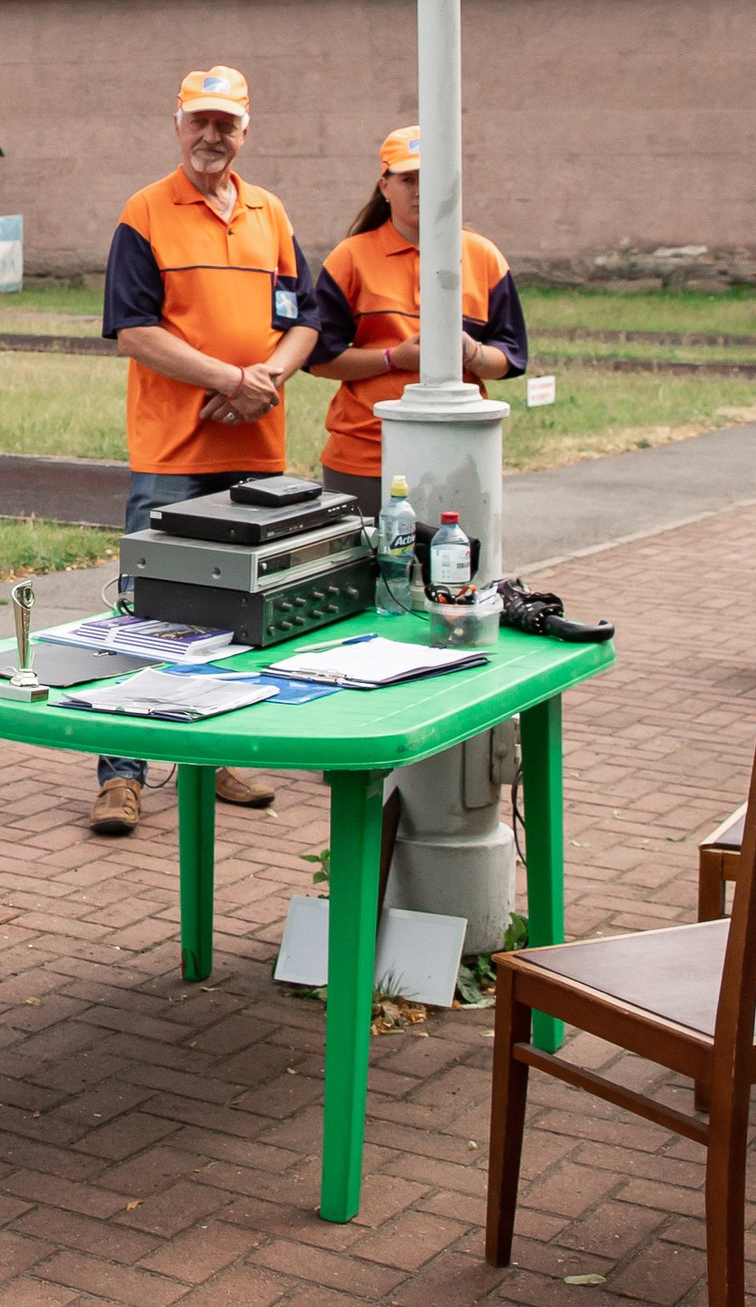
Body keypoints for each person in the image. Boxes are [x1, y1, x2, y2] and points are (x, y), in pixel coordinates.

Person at [91, 66, 319, 839]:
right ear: (178, 124)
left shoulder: (271, 214)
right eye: (200, 121)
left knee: (242, 611)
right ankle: (121, 772)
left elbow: (305, 318)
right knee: (148, 611)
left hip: (256, 450)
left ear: (245, 131)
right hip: (173, 452)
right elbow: (133, 327)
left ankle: (212, 753)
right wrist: (230, 377)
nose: (212, 135)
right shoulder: (145, 213)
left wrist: (268, 381)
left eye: (226, 123)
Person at [307, 123, 529, 498]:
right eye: (408, 179)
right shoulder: (351, 258)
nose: (421, 190)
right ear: (384, 187)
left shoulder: (483, 257)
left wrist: (469, 352)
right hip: (366, 453)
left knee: (454, 556)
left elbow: (510, 358)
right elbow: (318, 359)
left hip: (457, 448)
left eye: (432, 177)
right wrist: (394, 359)